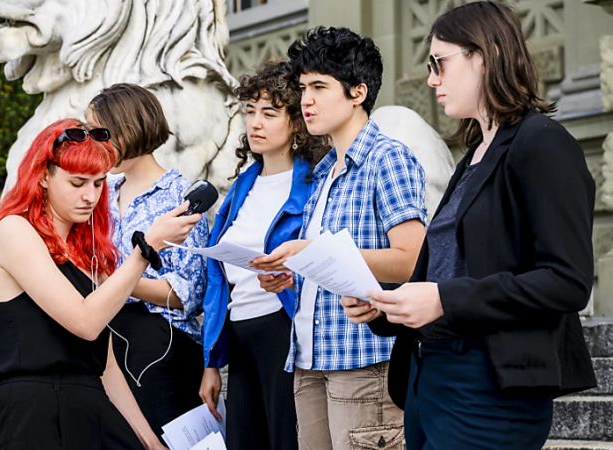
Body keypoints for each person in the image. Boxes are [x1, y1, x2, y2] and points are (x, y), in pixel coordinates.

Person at [342, 2, 598, 449]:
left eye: (440, 62)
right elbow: (454, 270)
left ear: (485, 55)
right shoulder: (475, 154)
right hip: (430, 376)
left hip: (490, 388)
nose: (431, 79)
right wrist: (390, 308)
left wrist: (442, 299)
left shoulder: (542, 144)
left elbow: (566, 281)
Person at [251, 27, 427, 450]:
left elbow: (411, 257)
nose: (305, 100)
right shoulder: (325, 170)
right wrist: (291, 273)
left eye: (318, 87)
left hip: (364, 361)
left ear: (358, 92)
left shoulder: (389, 158)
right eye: (302, 87)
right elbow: (334, 266)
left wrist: (314, 251)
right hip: (310, 359)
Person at [0, 118, 200, 449]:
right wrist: (146, 249)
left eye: (98, 184)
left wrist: (149, 441)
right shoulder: (14, 231)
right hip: (32, 413)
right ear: (42, 178)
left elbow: (105, 363)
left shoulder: (88, 253)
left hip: (89, 407)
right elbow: (84, 322)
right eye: (77, 182)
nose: (90, 196)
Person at [198, 61, 327, 450]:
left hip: (283, 331)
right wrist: (210, 361)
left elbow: (324, 258)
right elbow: (218, 281)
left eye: (269, 113)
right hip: (240, 336)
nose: (255, 123)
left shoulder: (315, 182)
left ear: (296, 120)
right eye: (250, 112)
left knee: (287, 440)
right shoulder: (241, 187)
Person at [86, 83, 209, 439]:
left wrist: (119, 281)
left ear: (129, 128)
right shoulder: (99, 193)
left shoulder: (180, 197)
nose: (93, 142)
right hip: (104, 341)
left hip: (162, 349)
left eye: (100, 132)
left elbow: (189, 293)